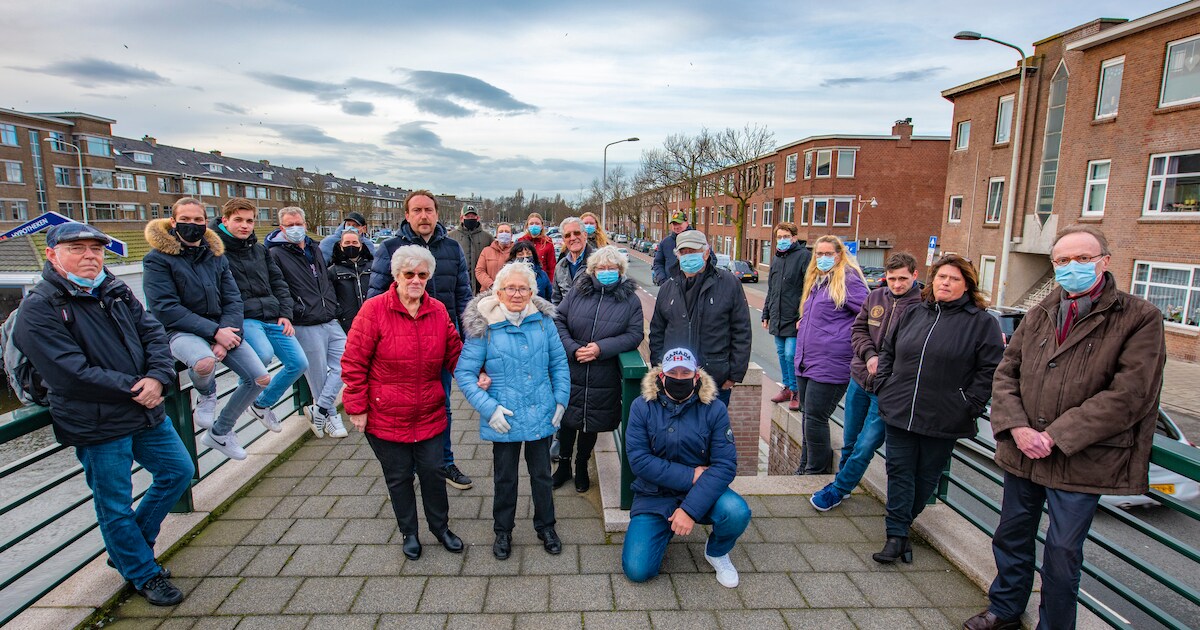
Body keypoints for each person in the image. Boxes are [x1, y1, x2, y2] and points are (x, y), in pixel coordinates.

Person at [965, 227, 1166, 630]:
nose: (1071, 267)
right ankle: (1004, 610)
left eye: (1082, 259)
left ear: (1104, 262)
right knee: (1011, 536)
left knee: (1061, 553)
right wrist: (1017, 427)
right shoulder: (1041, 311)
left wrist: (1057, 435)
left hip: (1083, 458)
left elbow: (1130, 394)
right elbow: (1007, 372)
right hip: (1024, 451)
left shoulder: (1140, 317)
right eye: (1061, 261)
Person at [13, 223, 193, 606]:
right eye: (76, 248)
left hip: (145, 409)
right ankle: (144, 572)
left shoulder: (114, 288)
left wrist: (159, 378)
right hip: (95, 420)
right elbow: (68, 372)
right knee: (114, 502)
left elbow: (154, 334)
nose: (89, 256)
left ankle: (129, 553)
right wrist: (137, 387)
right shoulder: (39, 307)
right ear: (52, 255)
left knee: (178, 471)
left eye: (95, 249)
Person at [872, 254, 1003, 565]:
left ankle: (901, 529)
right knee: (899, 472)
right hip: (901, 407)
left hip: (944, 415)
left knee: (926, 477)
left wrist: (968, 404)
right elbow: (888, 350)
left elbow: (989, 370)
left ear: (967, 285)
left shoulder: (981, 323)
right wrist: (885, 385)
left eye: (954, 278)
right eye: (941, 277)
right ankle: (895, 537)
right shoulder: (915, 311)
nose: (945, 283)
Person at [342, 245, 465, 560]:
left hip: (429, 410)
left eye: (422, 275)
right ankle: (409, 532)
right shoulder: (373, 310)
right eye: (408, 274)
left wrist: (481, 376)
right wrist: (357, 408)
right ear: (396, 276)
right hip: (386, 412)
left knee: (434, 473)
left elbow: (455, 353)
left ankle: (441, 528)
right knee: (398, 477)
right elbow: (354, 362)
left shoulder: (437, 310)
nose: (415, 280)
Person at [455, 262, 571, 560]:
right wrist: (488, 409)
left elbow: (558, 363)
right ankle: (502, 531)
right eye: (510, 288)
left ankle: (546, 527)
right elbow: (465, 373)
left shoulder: (543, 322)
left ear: (532, 292)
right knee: (505, 478)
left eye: (523, 288)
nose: (517, 294)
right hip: (504, 415)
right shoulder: (486, 326)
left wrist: (560, 400)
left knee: (542, 474)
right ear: (498, 291)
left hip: (540, 409)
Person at [143, 197, 271, 461]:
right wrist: (215, 333)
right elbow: (165, 308)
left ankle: (221, 431)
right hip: (179, 330)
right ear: (173, 222)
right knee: (203, 363)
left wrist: (225, 334)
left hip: (221, 328)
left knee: (260, 378)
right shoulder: (157, 259)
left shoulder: (216, 256)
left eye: (198, 220)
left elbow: (233, 299)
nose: (193, 225)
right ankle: (207, 393)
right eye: (185, 220)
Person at [368, 190, 474, 490]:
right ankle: (408, 466)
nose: (423, 216)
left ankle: (443, 462)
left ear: (437, 214)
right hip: (398, 345)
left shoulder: (453, 249)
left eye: (428, 210)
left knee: (442, 404)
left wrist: (468, 340)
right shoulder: (389, 249)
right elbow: (375, 298)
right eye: (417, 210)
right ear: (407, 215)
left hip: (440, 341)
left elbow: (463, 296)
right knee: (402, 405)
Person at [622, 348, 749, 588]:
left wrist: (689, 510)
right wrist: (691, 475)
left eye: (685, 372)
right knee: (637, 570)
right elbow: (638, 460)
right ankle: (663, 529)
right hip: (654, 494)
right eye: (673, 372)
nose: (679, 378)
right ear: (661, 376)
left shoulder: (714, 408)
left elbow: (725, 464)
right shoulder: (642, 406)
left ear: (696, 376)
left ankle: (717, 552)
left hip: (700, 492)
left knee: (736, 511)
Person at [810, 252, 921, 511]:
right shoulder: (876, 296)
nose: (896, 285)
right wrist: (870, 355)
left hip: (889, 391)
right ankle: (844, 483)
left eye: (903, 279)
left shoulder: (922, 307)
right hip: (860, 380)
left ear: (915, 275)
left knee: (866, 444)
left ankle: (838, 489)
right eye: (892, 278)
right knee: (849, 440)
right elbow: (858, 330)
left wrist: (888, 367)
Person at [553, 245, 644, 493]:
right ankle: (563, 465)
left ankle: (581, 465)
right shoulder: (577, 292)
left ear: (620, 271)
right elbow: (558, 319)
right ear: (592, 270)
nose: (606, 272)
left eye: (611, 268)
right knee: (567, 419)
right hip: (573, 366)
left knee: (590, 422)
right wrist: (572, 348)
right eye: (601, 268)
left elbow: (635, 334)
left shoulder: (630, 300)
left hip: (603, 371)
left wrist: (600, 348)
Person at [214, 198, 308, 432]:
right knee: (263, 355)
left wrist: (285, 313)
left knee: (298, 363)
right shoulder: (216, 252)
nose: (245, 226)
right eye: (238, 220)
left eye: (249, 221)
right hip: (245, 317)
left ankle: (260, 404)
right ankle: (230, 415)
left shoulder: (259, 250)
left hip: (273, 316)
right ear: (225, 221)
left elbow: (278, 282)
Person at [265, 207, 349, 439]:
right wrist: (291, 311)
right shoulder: (274, 254)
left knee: (348, 363)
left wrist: (333, 306)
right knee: (318, 374)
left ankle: (319, 409)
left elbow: (323, 279)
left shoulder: (314, 247)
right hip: (304, 321)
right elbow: (278, 288)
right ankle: (331, 417)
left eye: (299, 224)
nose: (295, 229)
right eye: (290, 225)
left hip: (329, 317)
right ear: (281, 228)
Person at [791, 235, 868, 475]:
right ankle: (804, 467)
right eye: (819, 254)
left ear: (839, 254)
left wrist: (841, 336)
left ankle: (816, 470)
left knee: (815, 417)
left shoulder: (848, 279)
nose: (823, 258)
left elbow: (868, 316)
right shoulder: (817, 281)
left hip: (831, 362)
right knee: (807, 417)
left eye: (828, 254)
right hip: (807, 360)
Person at [650, 229, 751, 408]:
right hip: (675, 381)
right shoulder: (668, 287)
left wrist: (733, 376)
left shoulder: (728, 283)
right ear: (677, 255)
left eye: (693, 251)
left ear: (705, 252)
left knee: (711, 433)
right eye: (684, 252)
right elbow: (657, 331)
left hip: (715, 381)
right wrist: (660, 368)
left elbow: (741, 331)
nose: (688, 256)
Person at [761, 222, 810, 405]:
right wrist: (766, 313)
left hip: (794, 317)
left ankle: (797, 391)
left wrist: (803, 315)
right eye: (779, 237)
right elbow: (771, 289)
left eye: (785, 236)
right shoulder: (776, 259)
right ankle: (788, 387)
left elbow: (809, 289)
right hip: (777, 315)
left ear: (794, 238)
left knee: (791, 354)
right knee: (781, 353)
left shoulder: (804, 257)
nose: (782, 240)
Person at [328, 229, 374, 332]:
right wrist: (339, 313)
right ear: (341, 245)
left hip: (373, 320)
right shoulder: (333, 271)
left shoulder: (373, 267)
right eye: (347, 243)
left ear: (361, 245)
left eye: (354, 242)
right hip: (347, 324)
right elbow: (330, 297)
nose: (351, 245)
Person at [449, 205, 493, 294]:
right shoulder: (451, 237)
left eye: (473, 216)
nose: (470, 218)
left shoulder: (487, 237)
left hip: (481, 287)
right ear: (461, 218)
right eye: (467, 216)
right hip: (459, 285)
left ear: (478, 218)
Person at [552, 217, 593, 304]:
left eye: (576, 233)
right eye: (567, 235)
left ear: (585, 235)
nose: (573, 238)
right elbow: (556, 300)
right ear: (564, 240)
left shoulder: (598, 263)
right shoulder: (560, 266)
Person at [651, 211, 691, 285]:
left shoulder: (696, 239)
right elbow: (658, 263)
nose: (676, 227)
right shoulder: (665, 242)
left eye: (679, 223)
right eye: (674, 224)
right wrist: (662, 280)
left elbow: (711, 259)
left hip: (692, 287)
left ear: (687, 223)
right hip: (670, 288)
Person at [517, 212, 557, 281]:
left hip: (542, 283)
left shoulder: (548, 243)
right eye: (531, 224)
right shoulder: (520, 241)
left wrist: (550, 286)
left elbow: (551, 268)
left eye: (537, 223)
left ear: (541, 226)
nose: (534, 226)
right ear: (527, 226)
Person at [476, 222, 514, 291]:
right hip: (488, 292)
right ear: (496, 235)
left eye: (507, 232)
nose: (504, 234)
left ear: (511, 235)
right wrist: (492, 285)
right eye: (501, 231)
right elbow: (479, 271)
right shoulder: (486, 251)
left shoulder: (517, 252)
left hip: (511, 292)